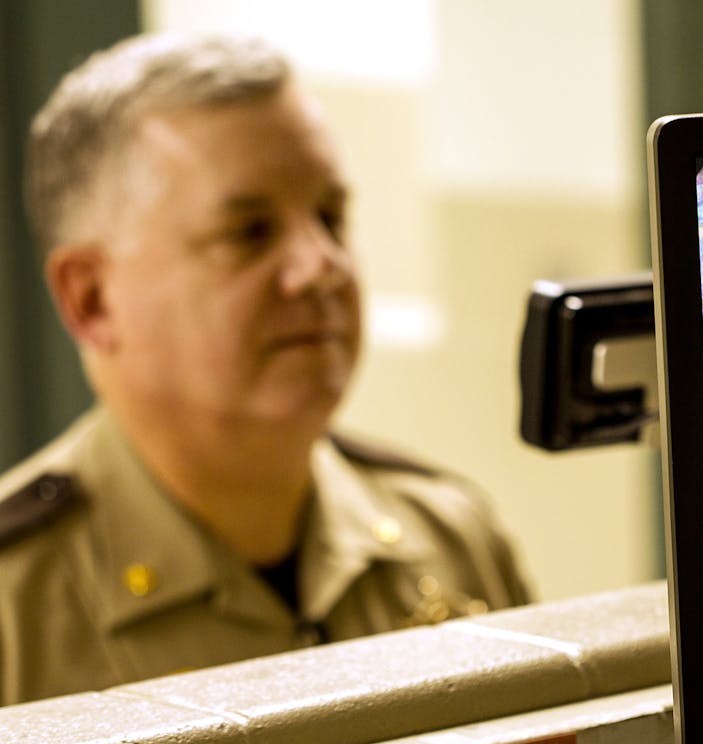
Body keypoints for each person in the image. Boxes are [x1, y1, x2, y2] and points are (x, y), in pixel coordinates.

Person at [0, 31, 530, 705]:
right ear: (92, 299)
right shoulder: (15, 614)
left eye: (331, 217)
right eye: (249, 232)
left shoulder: (452, 539)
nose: (322, 266)